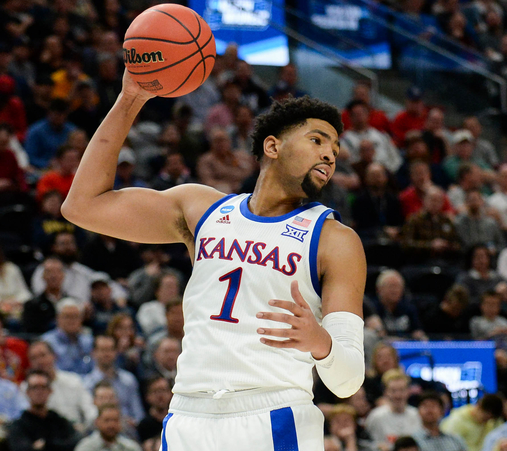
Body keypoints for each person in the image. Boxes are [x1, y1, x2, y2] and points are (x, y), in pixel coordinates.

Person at [62, 78, 367, 450]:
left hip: (275, 414)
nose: (330, 155)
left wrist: (321, 343)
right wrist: (130, 98)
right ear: (273, 146)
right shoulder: (202, 208)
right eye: (317, 140)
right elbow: (82, 206)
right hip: (188, 415)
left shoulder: (335, 240)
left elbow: (347, 381)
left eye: (335, 148)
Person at [6, 370, 81, 451]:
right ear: (27, 392)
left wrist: (45, 445)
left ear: (50, 391)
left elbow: (76, 442)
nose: (39, 392)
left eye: (43, 387)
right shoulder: (19, 426)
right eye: (34, 387)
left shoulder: (59, 422)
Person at [82, 335, 145, 424]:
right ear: (93, 353)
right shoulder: (86, 384)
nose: (106, 354)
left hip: (128, 428)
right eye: (102, 350)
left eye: (110, 350)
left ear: (116, 352)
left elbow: (138, 414)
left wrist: (134, 422)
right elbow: (87, 416)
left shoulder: (128, 380)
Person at [365, 369, 423, 450]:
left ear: (408, 391)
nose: (398, 395)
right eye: (393, 391)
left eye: (401, 390)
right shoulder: (375, 417)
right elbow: (367, 444)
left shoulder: (417, 415)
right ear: (385, 392)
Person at [440, 394, 505, 451]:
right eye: (485, 418)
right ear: (478, 407)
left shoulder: (492, 422)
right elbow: (448, 446)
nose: (487, 422)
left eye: (489, 419)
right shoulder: (457, 421)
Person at [75, 404, 142, 451]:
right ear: (97, 422)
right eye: (107, 420)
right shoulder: (85, 448)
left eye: (115, 420)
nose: (111, 425)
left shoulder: (131, 448)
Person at [137, 376, 172, 443]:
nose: (161, 396)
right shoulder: (144, 426)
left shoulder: (176, 421)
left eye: (164, 390)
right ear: (147, 396)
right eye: (156, 391)